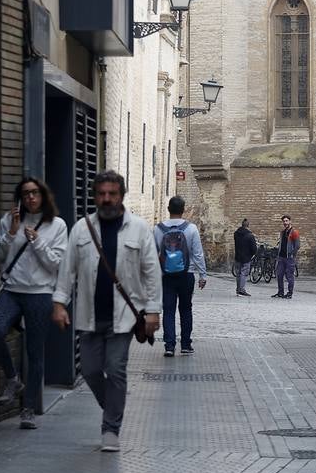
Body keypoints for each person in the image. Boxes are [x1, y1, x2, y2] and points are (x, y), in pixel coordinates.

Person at [51, 170, 161, 453]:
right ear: (95, 196)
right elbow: (67, 269)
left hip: (124, 316)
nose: (107, 199)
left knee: (115, 369)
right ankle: (113, 405)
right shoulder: (81, 228)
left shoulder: (138, 229)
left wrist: (153, 311)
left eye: (112, 194)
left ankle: (110, 427)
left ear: (121, 196)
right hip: (89, 315)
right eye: (101, 194)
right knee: (88, 370)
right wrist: (59, 303)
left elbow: (151, 272)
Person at [0, 177, 68, 430]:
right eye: (25, 194)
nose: (30, 198)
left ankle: (28, 409)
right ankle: (12, 379)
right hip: (10, 289)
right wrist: (11, 233)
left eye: (34, 193)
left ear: (43, 195)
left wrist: (38, 242)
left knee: (35, 352)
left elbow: (56, 263)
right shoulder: (9, 220)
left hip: (40, 293)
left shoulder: (56, 225)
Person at [155, 196, 207, 356]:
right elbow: (197, 253)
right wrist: (202, 274)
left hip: (166, 276)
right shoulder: (191, 229)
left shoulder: (158, 229)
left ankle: (169, 346)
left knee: (168, 310)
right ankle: (185, 344)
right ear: (183, 210)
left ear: (168, 209)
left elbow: (152, 254)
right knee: (186, 309)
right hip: (187, 274)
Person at [272, 215, 300, 299]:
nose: (285, 223)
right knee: (279, 275)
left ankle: (289, 293)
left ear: (290, 221)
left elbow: (297, 245)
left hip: (289, 258)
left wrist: (292, 255)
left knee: (289, 276)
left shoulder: (294, 232)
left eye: (286, 221)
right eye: (284, 221)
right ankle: (280, 292)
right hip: (281, 257)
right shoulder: (282, 232)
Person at [233, 218, 257, 296]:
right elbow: (254, 248)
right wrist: (252, 254)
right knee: (244, 273)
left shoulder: (236, 234)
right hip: (246, 257)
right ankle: (241, 290)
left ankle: (238, 289)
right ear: (248, 226)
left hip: (237, 256)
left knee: (238, 273)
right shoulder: (250, 235)